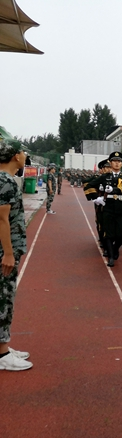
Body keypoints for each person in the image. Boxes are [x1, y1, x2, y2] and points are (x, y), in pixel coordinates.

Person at [0, 140, 32, 371]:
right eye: (22, 152)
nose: (24, 155)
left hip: (7, 248)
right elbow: (1, 219)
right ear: (15, 156)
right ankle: (2, 355)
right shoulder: (5, 180)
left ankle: (2, 347)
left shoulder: (7, 179)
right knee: (4, 299)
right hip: (4, 251)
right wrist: (9, 253)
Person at [85, 152, 122, 267]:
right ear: (110, 163)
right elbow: (88, 185)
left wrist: (114, 189)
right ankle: (111, 257)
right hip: (108, 207)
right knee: (109, 234)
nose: (117, 163)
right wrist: (96, 198)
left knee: (120, 236)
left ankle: (115, 250)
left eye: (119, 161)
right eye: (114, 161)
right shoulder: (104, 177)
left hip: (121, 208)